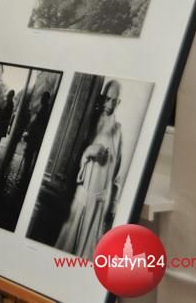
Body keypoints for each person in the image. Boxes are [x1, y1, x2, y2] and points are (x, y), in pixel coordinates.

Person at [55, 80, 123, 259]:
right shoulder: (89, 122)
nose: (109, 104)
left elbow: (117, 174)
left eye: (113, 101)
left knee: (88, 256)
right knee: (65, 251)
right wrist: (87, 153)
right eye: (107, 99)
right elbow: (73, 156)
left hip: (99, 202)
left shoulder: (118, 131)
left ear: (118, 103)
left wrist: (114, 206)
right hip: (81, 196)